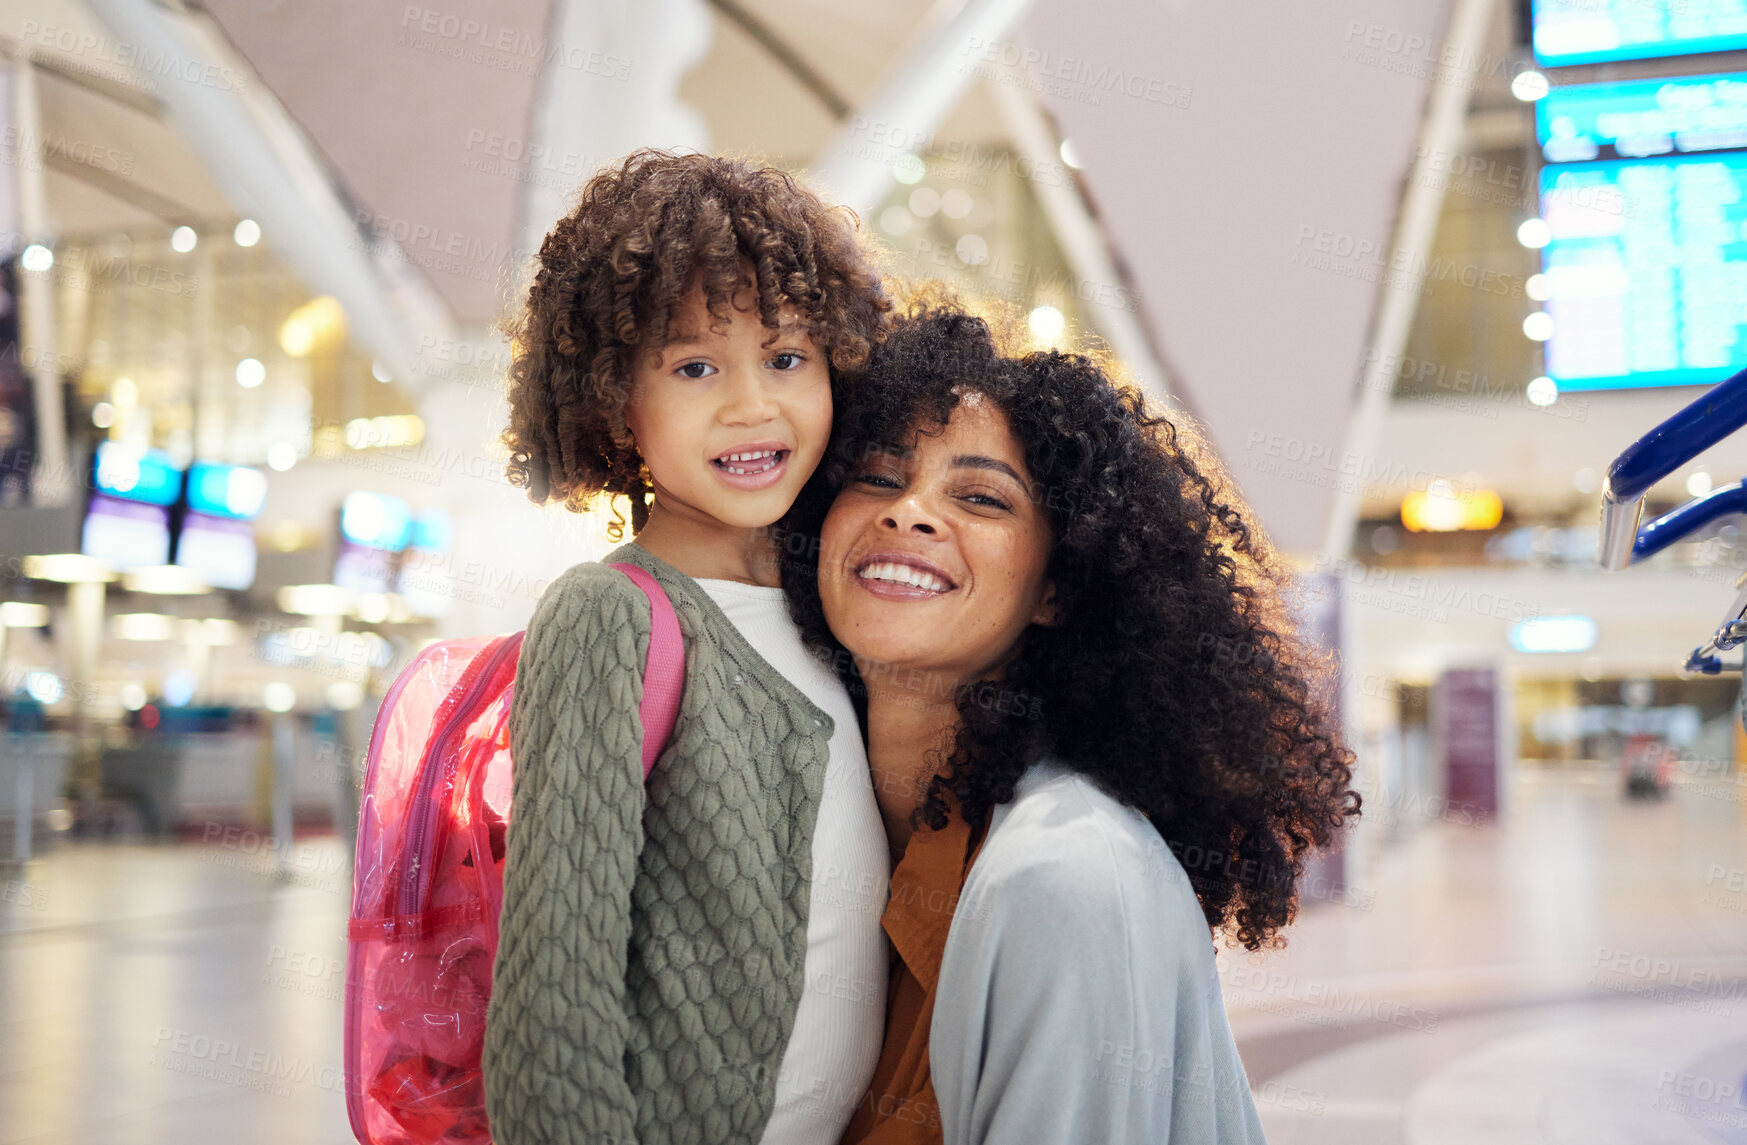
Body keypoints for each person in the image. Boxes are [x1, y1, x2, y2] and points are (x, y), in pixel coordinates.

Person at [779, 308, 1361, 1145]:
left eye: (979, 497)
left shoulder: (1062, 878)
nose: (909, 513)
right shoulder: (862, 850)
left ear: (1058, 587)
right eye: (875, 477)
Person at [482, 150, 894, 1145]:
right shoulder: (606, 615)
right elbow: (552, 1007)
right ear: (617, 399)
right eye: (695, 365)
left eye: (787, 356)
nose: (752, 404)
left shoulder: (829, 605)